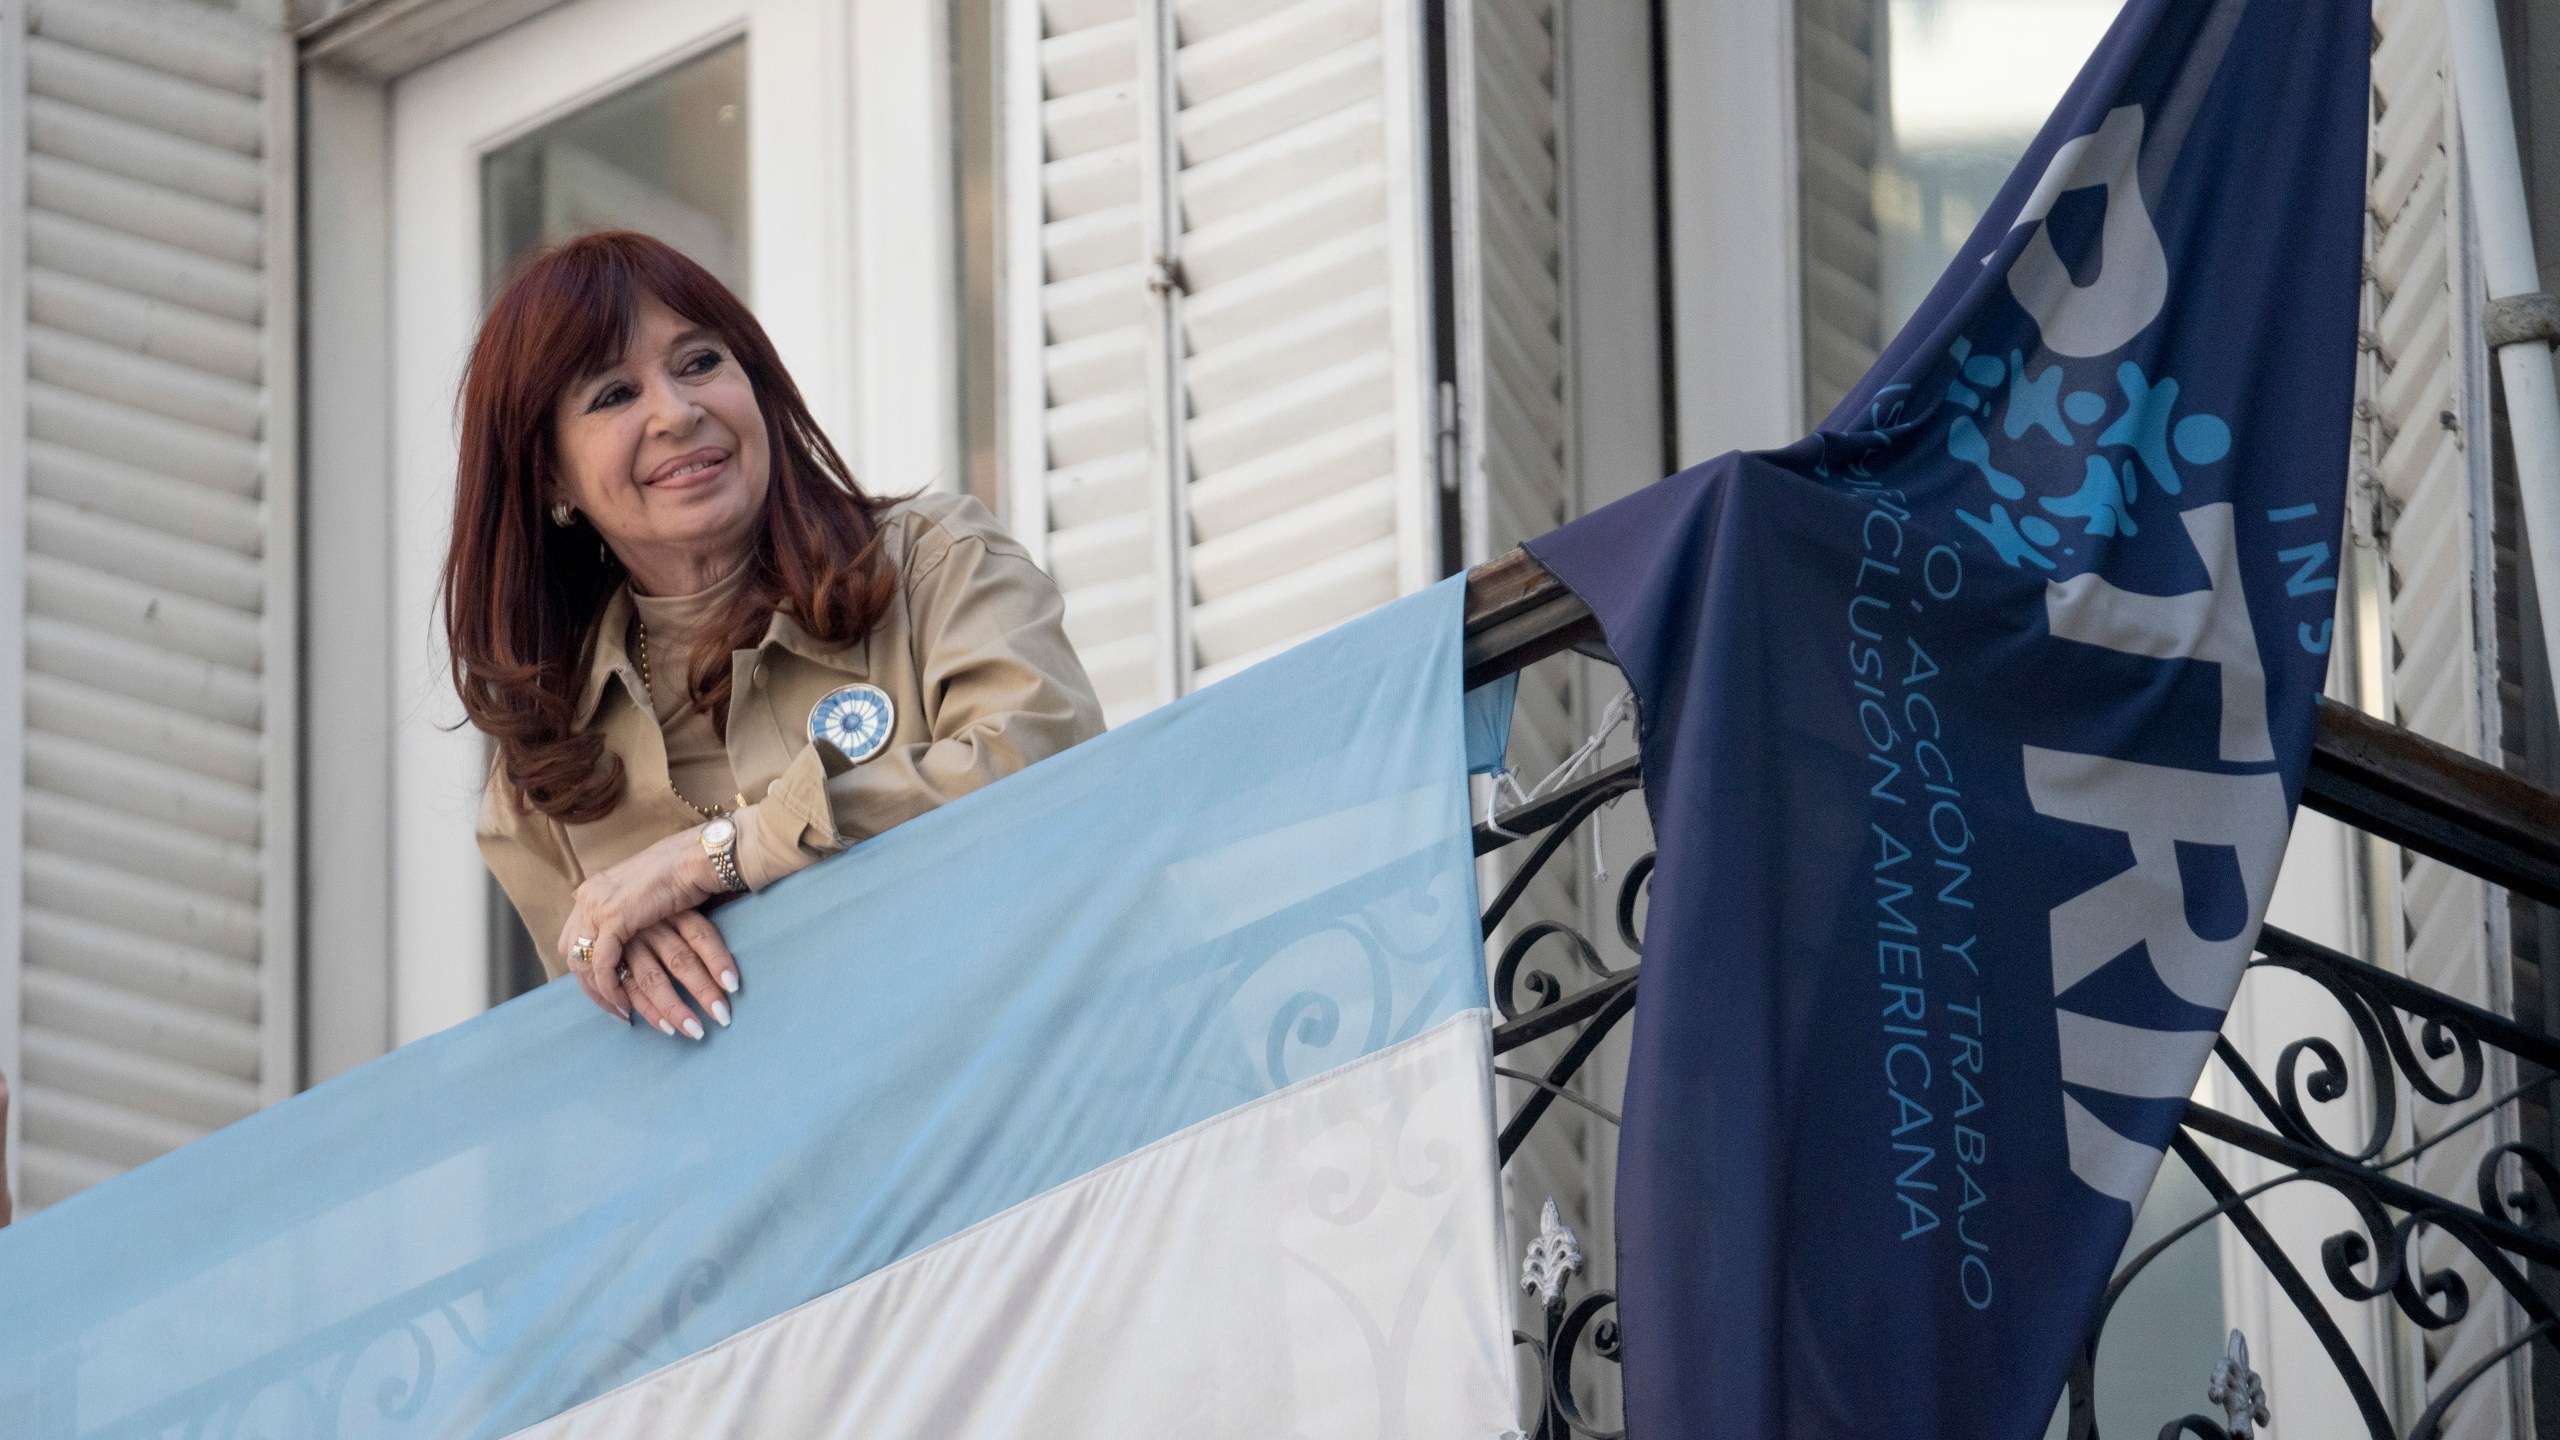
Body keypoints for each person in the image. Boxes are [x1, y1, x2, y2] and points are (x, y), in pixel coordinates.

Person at [449, 232, 1101, 1041]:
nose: (678, 412)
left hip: (1073, 1093)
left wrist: (714, 857)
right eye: (614, 395)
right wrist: (606, 962)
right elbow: (605, 1079)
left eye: (699, 363)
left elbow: (1047, 767)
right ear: (549, 474)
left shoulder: (935, 562)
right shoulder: (537, 787)